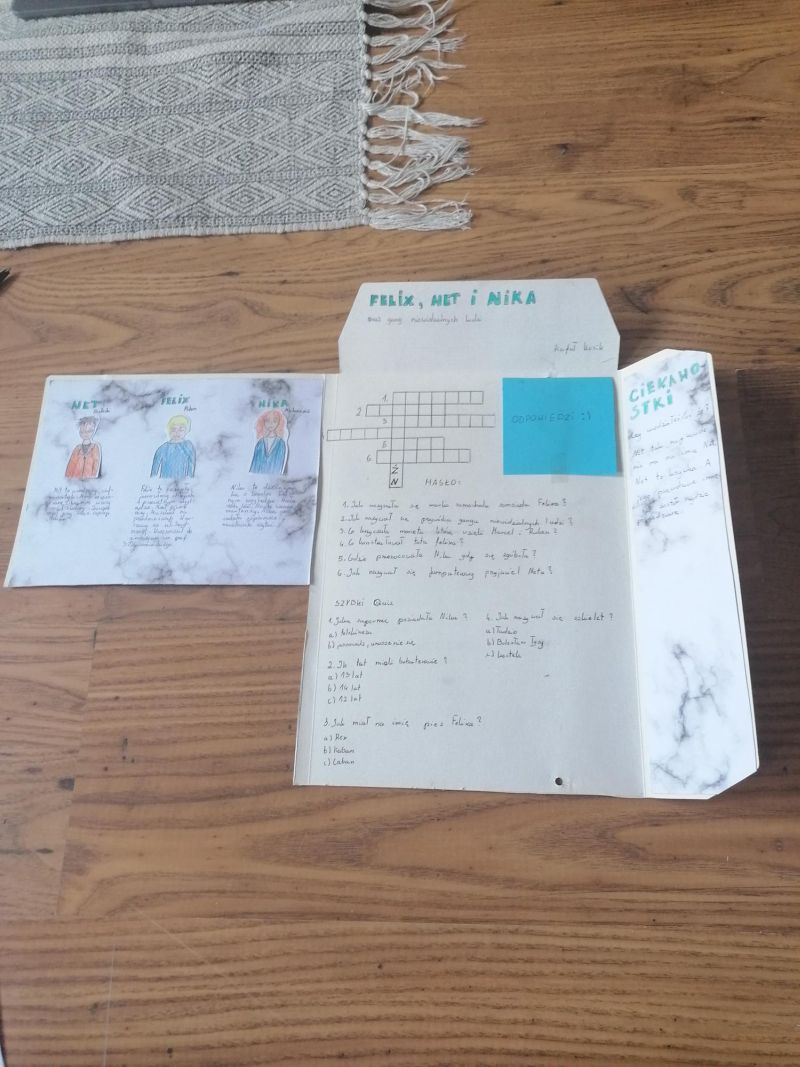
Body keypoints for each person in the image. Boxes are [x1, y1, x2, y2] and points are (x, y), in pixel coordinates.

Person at [150, 414, 196, 479]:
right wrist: (153, 479)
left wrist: (189, 478)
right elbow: (155, 466)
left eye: (181, 430)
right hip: (165, 480)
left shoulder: (188, 446)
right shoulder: (163, 448)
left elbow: (191, 464)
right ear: (169, 431)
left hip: (182, 481)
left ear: (186, 431)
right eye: (173, 429)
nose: (177, 432)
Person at [249, 409, 288, 475]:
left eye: (274, 421)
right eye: (267, 421)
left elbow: (279, 465)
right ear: (263, 422)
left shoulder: (281, 444)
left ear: (279, 423)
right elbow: (254, 466)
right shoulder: (260, 443)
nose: (271, 424)